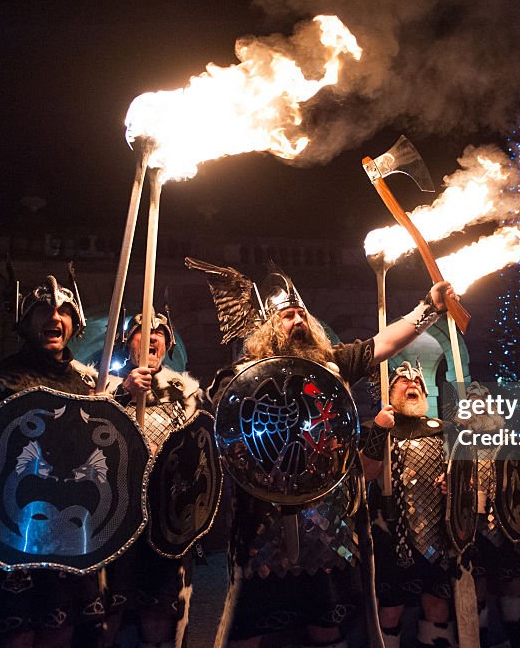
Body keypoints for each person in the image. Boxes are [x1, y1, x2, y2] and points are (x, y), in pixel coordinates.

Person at [196, 260, 455, 648]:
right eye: (287, 315)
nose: (297, 319)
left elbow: (384, 342)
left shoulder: (333, 363)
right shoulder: (244, 372)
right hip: (263, 520)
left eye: (301, 313)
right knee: (252, 627)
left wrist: (429, 307)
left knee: (327, 626)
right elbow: (225, 433)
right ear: (268, 326)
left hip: (327, 519)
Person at [0, 272, 104, 648]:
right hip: (13, 533)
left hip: (71, 533)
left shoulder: (88, 388)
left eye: (64, 311)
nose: (54, 318)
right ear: (25, 321)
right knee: (16, 634)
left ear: (75, 324)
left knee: (62, 630)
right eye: (43, 309)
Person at [101, 308, 204, 648]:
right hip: (115, 515)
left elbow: (197, 455)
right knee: (108, 610)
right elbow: (90, 441)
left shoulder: (185, 393)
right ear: (127, 344)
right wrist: (121, 396)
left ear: (167, 345)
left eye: (159, 334)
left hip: (165, 520)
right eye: (141, 333)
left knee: (160, 611)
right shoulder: (106, 388)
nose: (151, 337)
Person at [360, 361, 458, 648]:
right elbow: (367, 473)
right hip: (390, 534)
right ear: (390, 392)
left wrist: (452, 485)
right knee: (390, 609)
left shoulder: (443, 430)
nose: (412, 383)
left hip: (436, 535)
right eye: (403, 380)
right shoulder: (375, 428)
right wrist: (380, 430)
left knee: (437, 604)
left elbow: (464, 481)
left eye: (417, 381)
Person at [457, 382, 520, 648]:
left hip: (507, 525)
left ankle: (518, 639)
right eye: (473, 400)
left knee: (512, 585)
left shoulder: (509, 439)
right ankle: (481, 640)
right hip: (473, 527)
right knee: (477, 587)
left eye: (483, 399)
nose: (479, 404)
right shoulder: (459, 442)